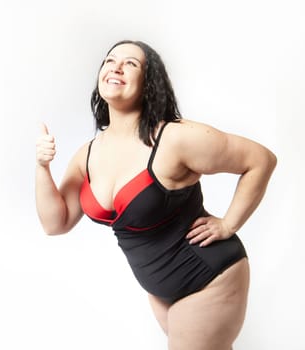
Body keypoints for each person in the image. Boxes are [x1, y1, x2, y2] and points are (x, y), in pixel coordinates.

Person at [34, 40, 277, 350]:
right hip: (161, 290)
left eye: (131, 63)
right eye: (110, 60)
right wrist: (43, 168)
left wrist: (229, 224)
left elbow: (260, 160)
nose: (117, 66)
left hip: (207, 277)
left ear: (149, 84)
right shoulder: (87, 155)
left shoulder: (175, 138)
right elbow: (56, 223)